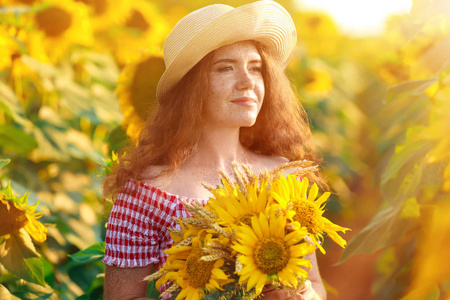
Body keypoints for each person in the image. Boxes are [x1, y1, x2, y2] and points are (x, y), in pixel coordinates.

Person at [102, 1, 328, 299]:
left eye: (256, 68)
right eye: (225, 68)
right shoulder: (145, 194)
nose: (247, 82)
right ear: (191, 87)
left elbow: (315, 282)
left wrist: (306, 296)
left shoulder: (286, 179)